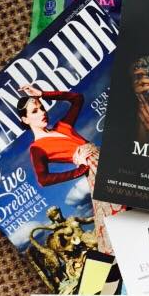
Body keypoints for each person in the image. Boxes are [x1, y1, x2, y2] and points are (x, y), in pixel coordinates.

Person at [17, 85, 119, 254]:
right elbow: (43, 179)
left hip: (107, 158)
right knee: (118, 211)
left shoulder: (62, 126)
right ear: (25, 120)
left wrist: (42, 94)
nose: (42, 112)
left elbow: (77, 98)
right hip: (95, 170)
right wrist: (78, 171)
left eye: (42, 108)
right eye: (35, 111)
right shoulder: (37, 148)